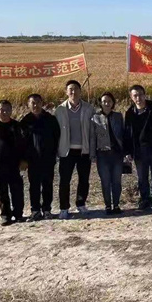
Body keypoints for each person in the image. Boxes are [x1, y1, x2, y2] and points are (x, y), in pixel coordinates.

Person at [55, 79, 95, 219]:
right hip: (66, 150)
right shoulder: (59, 110)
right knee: (64, 180)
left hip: (84, 150)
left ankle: (81, 204)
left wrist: (93, 150)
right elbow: (56, 132)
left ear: (80, 91)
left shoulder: (89, 108)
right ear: (66, 92)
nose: (73, 92)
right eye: (70, 89)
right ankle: (64, 208)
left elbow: (93, 131)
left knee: (84, 179)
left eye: (76, 89)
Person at [20, 93, 60, 221]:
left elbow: (57, 137)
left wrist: (54, 154)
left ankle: (47, 210)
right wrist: (23, 159)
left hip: (48, 159)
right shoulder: (25, 121)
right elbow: (22, 143)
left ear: (42, 103)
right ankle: (35, 210)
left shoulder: (50, 119)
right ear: (28, 105)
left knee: (48, 184)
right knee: (34, 186)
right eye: (33, 103)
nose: (35, 105)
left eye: (38, 102)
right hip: (32, 161)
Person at [124, 84, 152, 211]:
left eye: (140, 95)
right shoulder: (129, 113)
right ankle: (145, 200)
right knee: (142, 178)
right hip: (139, 151)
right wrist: (128, 151)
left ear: (145, 95)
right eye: (135, 95)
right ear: (131, 97)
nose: (138, 98)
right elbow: (127, 134)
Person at [90, 92, 125, 215]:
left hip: (116, 154)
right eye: (104, 101)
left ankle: (116, 204)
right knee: (105, 181)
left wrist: (125, 152)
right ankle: (108, 206)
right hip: (102, 154)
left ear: (113, 103)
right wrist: (92, 155)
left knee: (116, 181)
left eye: (109, 101)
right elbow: (92, 137)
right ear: (100, 103)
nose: (107, 103)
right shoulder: (95, 117)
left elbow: (123, 134)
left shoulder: (118, 116)